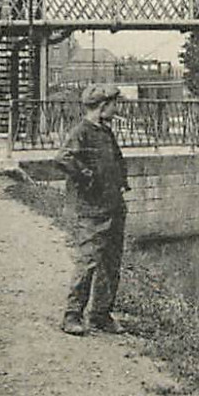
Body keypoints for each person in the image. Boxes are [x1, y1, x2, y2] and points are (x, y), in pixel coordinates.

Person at [55, 84, 130, 335]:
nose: (116, 108)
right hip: (91, 209)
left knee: (111, 262)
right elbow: (64, 158)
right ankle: (72, 315)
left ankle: (100, 314)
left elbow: (115, 160)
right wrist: (88, 177)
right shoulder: (82, 132)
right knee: (87, 261)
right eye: (113, 104)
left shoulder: (105, 132)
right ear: (102, 106)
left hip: (112, 205)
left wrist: (121, 183)